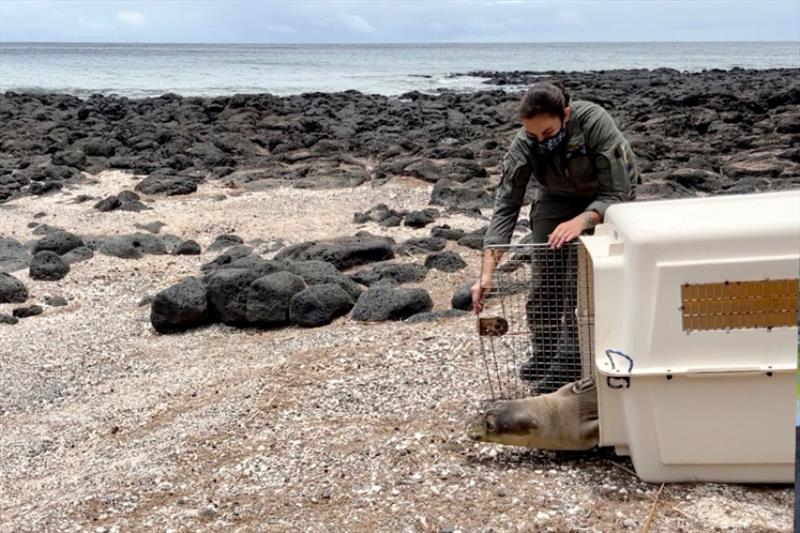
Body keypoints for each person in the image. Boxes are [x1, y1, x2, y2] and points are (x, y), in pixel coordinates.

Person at [471, 80, 640, 392]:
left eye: (547, 133)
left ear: (565, 114)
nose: (540, 140)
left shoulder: (594, 122)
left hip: (603, 197)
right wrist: (486, 274)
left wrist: (583, 220)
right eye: (533, 135)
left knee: (582, 284)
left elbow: (618, 192)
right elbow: (507, 204)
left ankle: (570, 360)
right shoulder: (525, 143)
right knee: (545, 281)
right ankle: (545, 352)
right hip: (555, 197)